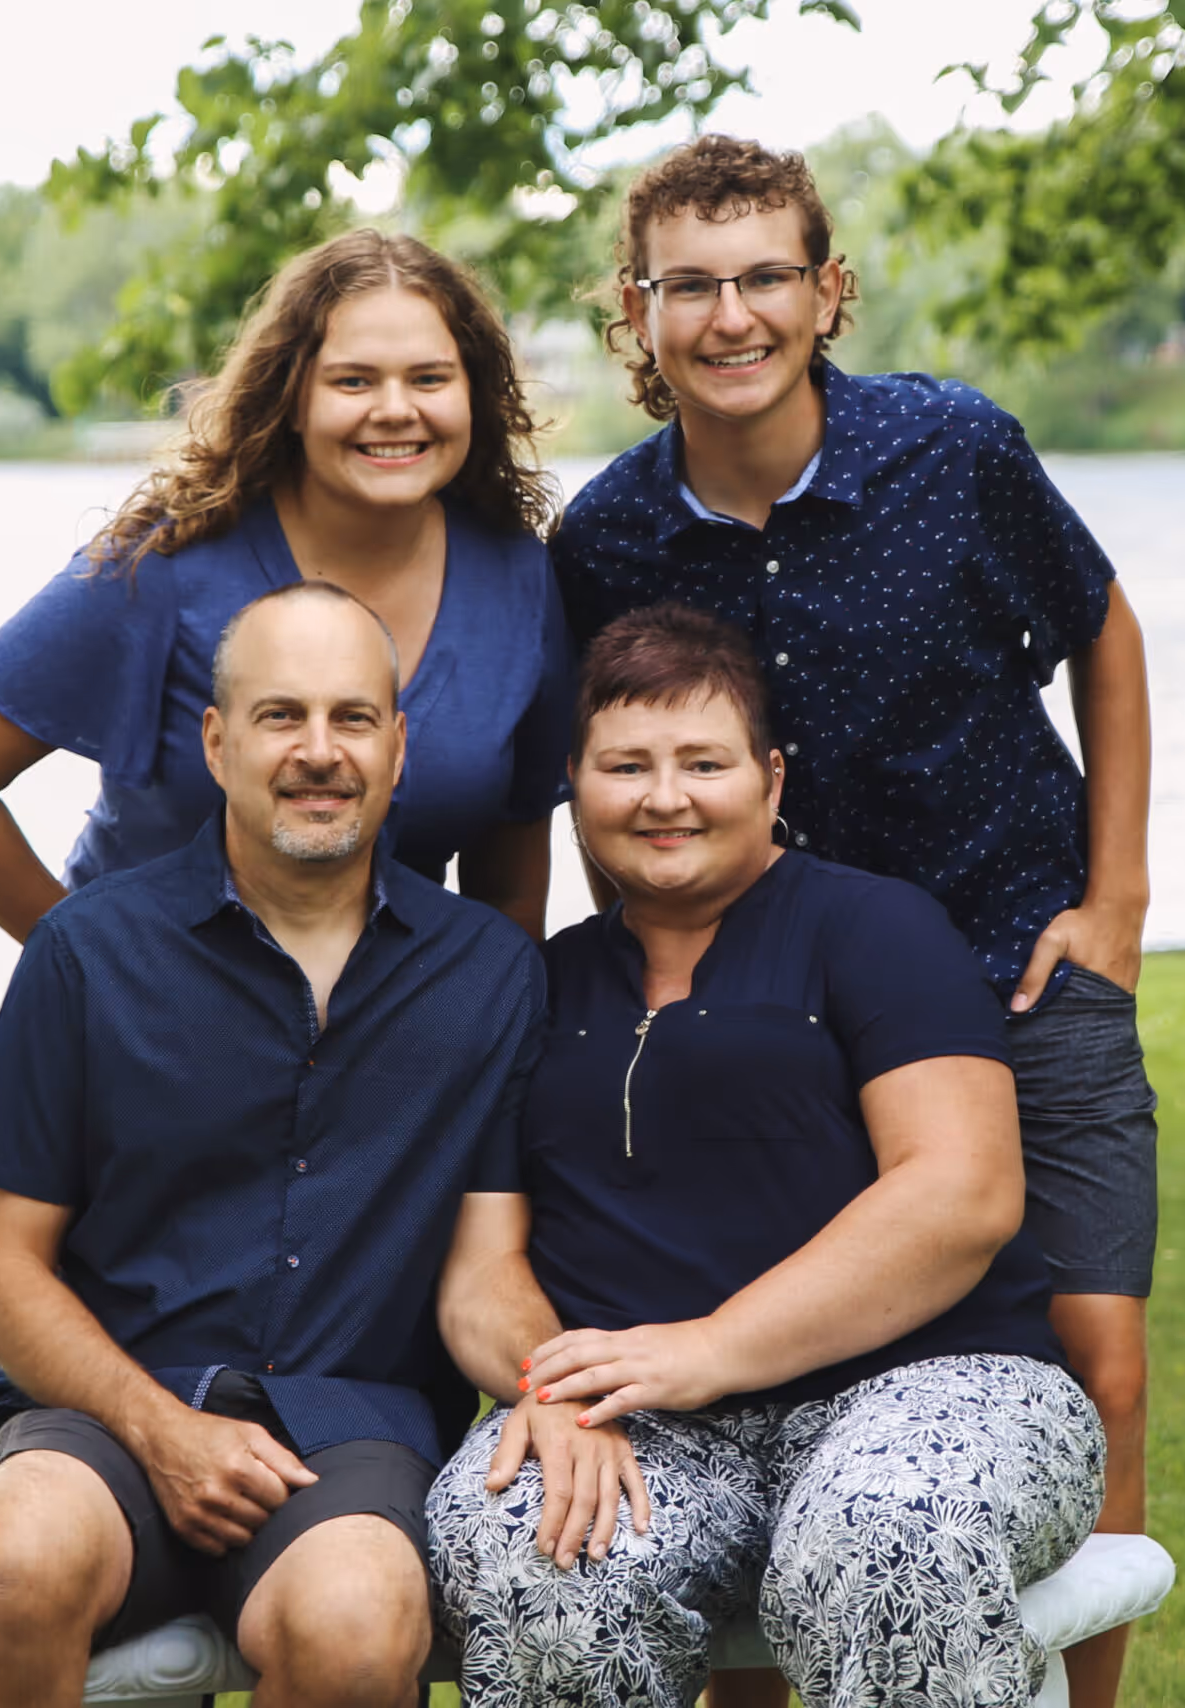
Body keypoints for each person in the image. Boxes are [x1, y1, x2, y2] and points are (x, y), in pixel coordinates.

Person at [553, 136, 1154, 1708]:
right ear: (641, 311)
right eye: (692, 283)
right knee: (776, 1351)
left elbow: (1102, 632)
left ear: (829, 292)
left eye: (765, 275)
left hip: (1014, 955)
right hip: (787, 1010)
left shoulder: (952, 452)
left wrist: (1117, 897)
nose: (731, 314)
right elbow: (605, 764)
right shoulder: (607, 538)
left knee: (1096, 1352)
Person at [428, 605, 1105, 1708]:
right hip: (637, 1416)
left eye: (703, 761)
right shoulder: (531, 987)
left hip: (929, 1385)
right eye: (625, 765)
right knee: (527, 1541)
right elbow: (478, 1264)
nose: (662, 796)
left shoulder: (878, 930)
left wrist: (712, 1346)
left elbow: (961, 1191)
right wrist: (541, 1389)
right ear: (573, 784)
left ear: (770, 778)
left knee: (881, 1537)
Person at [0, 583, 545, 1708]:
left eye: (352, 718)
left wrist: (553, 1384)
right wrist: (160, 1429)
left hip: (349, 1432)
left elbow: (483, 1267)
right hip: (103, 1413)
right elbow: (0, 1268)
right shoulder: (86, 951)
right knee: (20, 1566)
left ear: (398, 747)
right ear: (216, 742)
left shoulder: (488, 975)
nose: (319, 751)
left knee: (356, 1625)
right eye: (279, 716)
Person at [0, 229, 568, 945]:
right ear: (293, 399)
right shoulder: (164, 567)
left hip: (392, 1038)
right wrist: (91, 975)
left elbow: (511, 874)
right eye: (354, 380)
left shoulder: (517, 580)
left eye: (429, 378)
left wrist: (495, 1034)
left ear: (475, 395)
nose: (396, 408)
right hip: (153, 1043)